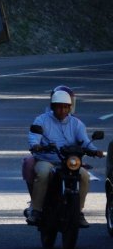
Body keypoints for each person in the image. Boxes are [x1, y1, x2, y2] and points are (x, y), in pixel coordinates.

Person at [26, 87, 103, 228]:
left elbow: (84, 140)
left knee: (84, 176)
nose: (62, 110)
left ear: (70, 108)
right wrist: (36, 145)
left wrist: (94, 150)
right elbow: (34, 136)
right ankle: (36, 210)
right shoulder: (41, 120)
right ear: (52, 107)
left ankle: (78, 212)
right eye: (58, 107)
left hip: (69, 162)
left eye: (65, 107)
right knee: (43, 173)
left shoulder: (76, 123)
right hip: (47, 159)